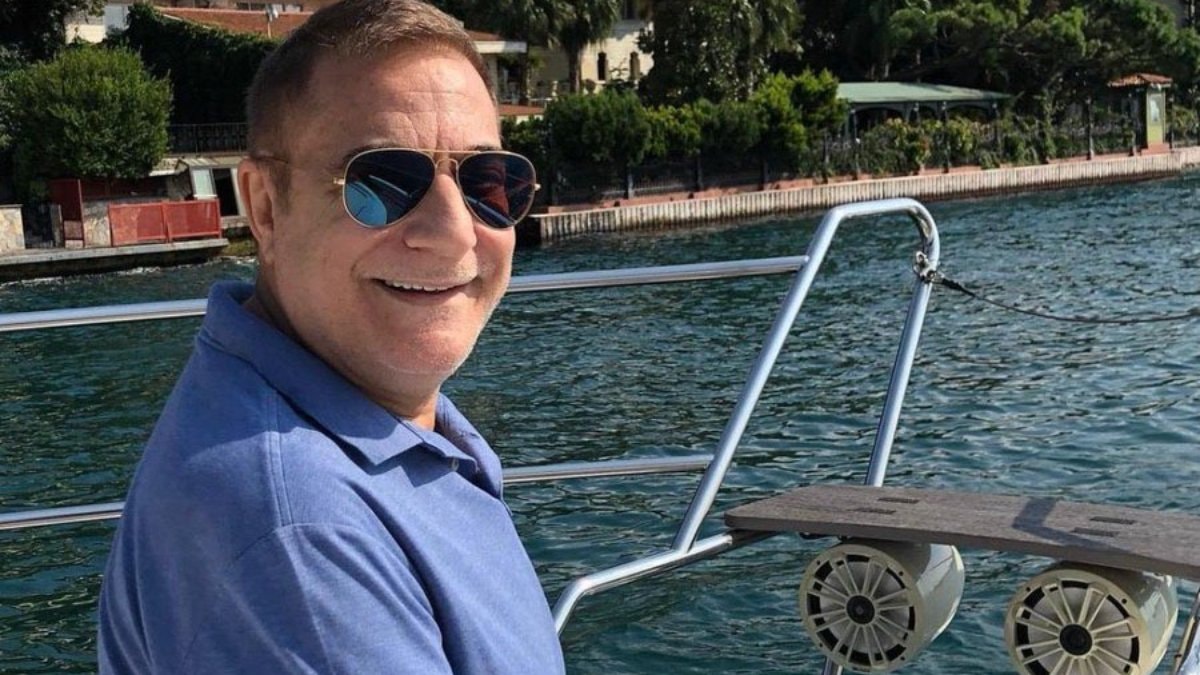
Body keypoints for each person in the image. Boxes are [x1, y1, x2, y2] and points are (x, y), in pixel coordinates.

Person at [96, 0, 563, 672]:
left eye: (489, 182)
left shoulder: (362, 414)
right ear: (265, 207)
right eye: (383, 182)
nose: (454, 230)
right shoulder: (300, 537)